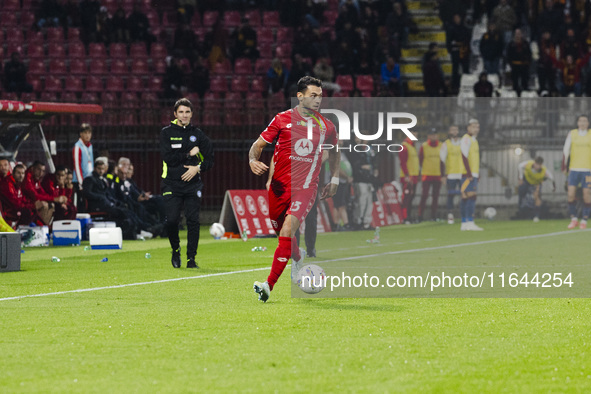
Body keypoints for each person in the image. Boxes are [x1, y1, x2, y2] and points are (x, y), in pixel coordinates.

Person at [249, 76, 340, 302]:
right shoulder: (282, 119)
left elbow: (336, 152)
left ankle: (268, 285)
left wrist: (335, 179)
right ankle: (297, 259)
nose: (318, 100)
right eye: (313, 95)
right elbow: (258, 146)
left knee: (289, 229)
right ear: (299, 96)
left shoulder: (326, 126)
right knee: (283, 235)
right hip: (279, 189)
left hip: (307, 188)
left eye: (320, 96)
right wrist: (252, 160)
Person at [160, 98, 214, 268]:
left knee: (193, 221)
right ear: (175, 114)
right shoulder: (166, 133)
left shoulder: (198, 135)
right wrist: (189, 154)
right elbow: (168, 159)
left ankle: (191, 258)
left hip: (193, 185)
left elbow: (210, 160)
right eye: (181, 112)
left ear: (192, 114)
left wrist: (196, 168)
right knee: (172, 221)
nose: (184, 115)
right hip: (171, 183)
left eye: (187, 112)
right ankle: (175, 250)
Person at [562, 115, 591, 229]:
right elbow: (566, 150)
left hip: (587, 170)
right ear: (577, 123)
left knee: (586, 195)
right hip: (574, 169)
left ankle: (584, 220)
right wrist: (564, 166)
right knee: (570, 195)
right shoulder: (572, 133)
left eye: (585, 121)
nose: (583, 123)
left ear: (588, 123)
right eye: (580, 121)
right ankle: (574, 219)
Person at [349, 136, 378, 230]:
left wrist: (374, 169)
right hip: (360, 179)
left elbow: (374, 162)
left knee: (369, 201)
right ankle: (358, 222)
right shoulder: (354, 149)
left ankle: (366, 222)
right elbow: (355, 164)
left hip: (369, 180)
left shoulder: (369, 150)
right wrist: (362, 167)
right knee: (360, 201)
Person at [460, 119, 483, 231]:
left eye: (477, 127)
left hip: (472, 173)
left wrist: (477, 173)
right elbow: (464, 156)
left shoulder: (474, 140)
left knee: (468, 197)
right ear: (468, 127)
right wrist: (469, 173)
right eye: (473, 127)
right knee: (470, 196)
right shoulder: (466, 139)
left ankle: (465, 222)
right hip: (467, 173)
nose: (476, 129)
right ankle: (469, 221)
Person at [518, 157, 556, 222]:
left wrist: (552, 187)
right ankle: (520, 212)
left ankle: (536, 216)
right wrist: (521, 177)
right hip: (527, 181)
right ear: (534, 163)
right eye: (536, 164)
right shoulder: (528, 164)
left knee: (537, 197)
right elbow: (519, 166)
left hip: (537, 183)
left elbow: (551, 178)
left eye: (539, 165)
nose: (537, 166)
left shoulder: (544, 171)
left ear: (541, 165)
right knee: (521, 193)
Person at [439, 125, 464, 224]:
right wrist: (443, 175)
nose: (454, 131)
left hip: (462, 173)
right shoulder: (446, 144)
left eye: (456, 129)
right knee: (451, 195)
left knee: (464, 195)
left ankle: (464, 214)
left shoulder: (463, 142)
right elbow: (442, 160)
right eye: (452, 130)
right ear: (449, 132)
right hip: (451, 174)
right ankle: (450, 214)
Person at [418, 128, 443, 221]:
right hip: (427, 174)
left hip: (437, 174)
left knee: (435, 196)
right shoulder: (424, 146)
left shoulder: (441, 146)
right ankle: (420, 215)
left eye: (435, 134)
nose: (434, 136)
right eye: (432, 134)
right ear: (428, 136)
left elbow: (443, 161)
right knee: (424, 195)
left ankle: (434, 216)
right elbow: (420, 160)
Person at [72, 123, 94, 209]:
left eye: (89, 133)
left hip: (89, 179)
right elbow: (77, 166)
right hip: (80, 181)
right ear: (81, 134)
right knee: (81, 205)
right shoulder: (77, 147)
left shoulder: (90, 146)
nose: (88, 135)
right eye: (85, 133)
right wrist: (81, 183)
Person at [399, 135, 419, 223]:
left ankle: (409, 216)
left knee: (411, 197)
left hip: (414, 175)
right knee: (406, 197)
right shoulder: (404, 146)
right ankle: (404, 217)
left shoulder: (412, 146)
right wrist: (407, 175)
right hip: (407, 176)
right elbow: (402, 162)